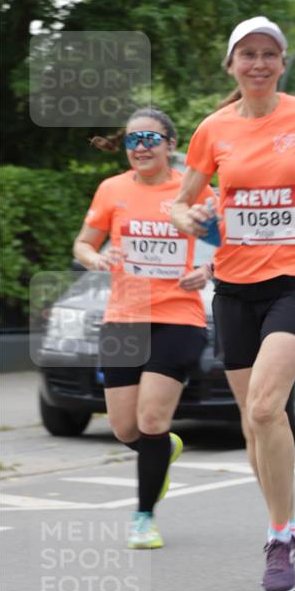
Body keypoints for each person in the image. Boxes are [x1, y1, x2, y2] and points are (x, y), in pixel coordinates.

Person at [171, 16, 295, 591]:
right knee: (254, 422)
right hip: (234, 289)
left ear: (281, 62)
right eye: (246, 54)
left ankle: (277, 538)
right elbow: (181, 202)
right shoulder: (212, 130)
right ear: (231, 64)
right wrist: (191, 216)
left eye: (268, 54)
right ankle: (292, 525)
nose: (257, 63)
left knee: (269, 407)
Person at [73, 108, 215, 549]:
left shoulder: (193, 189)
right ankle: (161, 451)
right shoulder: (111, 189)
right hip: (123, 317)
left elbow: (227, 246)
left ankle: (143, 518)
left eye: (151, 139)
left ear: (171, 144)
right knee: (124, 428)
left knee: (151, 420)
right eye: (133, 140)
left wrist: (208, 269)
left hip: (178, 317)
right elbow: (83, 242)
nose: (141, 147)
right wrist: (94, 258)